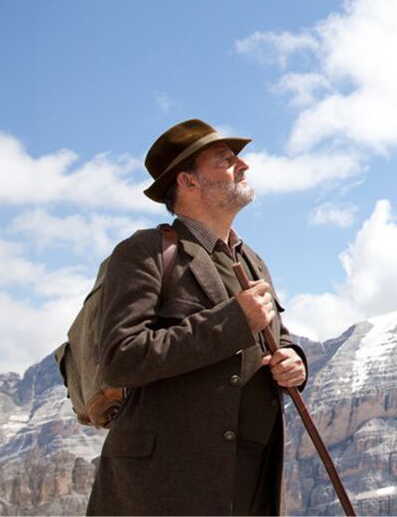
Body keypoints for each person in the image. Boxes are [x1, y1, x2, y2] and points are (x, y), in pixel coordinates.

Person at [87, 119, 307, 516]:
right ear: (188, 182)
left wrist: (294, 362)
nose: (243, 165)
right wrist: (232, 321)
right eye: (225, 160)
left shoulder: (252, 261)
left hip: (250, 477)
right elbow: (120, 357)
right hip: (168, 487)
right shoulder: (145, 252)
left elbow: (276, 336)